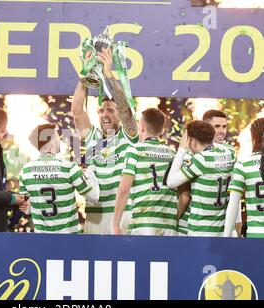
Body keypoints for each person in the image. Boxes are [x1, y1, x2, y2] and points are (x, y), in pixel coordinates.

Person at [71, 47, 138, 234]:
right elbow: (76, 110)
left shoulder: (129, 136)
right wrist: (85, 75)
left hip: (122, 215)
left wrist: (107, 73)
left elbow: (125, 109)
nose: (105, 114)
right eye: (101, 110)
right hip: (95, 215)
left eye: (110, 110)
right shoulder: (92, 137)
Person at [113, 108, 187, 236]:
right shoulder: (173, 154)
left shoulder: (134, 151)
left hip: (142, 225)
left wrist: (115, 225)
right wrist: (172, 219)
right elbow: (185, 197)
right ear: (162, 129)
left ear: (141, 127)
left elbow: (124, 190)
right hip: (169, 227)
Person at [18, 123, 99, 233]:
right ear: (50, 140)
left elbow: (26, 209)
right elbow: (93, 197)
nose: (59, 138)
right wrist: (90, 172)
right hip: (69, 239)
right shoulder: (69, 168)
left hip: (42, 240)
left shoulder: (25, 171)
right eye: (56, 135)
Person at [166, 121, 236, 237]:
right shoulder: (230, 153)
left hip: (200, 230)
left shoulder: (200, 160)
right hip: (222, 229)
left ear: (192, 141)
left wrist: (182, 149)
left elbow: (171, 182)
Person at [224, 118, 264, 238]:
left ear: (253, 137)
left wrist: (226, 237)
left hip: (256, 234)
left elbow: (233, 205)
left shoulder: (243, 164)